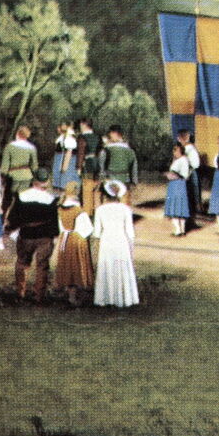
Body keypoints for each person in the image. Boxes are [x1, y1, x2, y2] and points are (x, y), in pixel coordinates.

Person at [7, 167, 58, 302]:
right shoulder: (51, 199)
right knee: (42, 266)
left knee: (22, 263)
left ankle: (20, 292)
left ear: (34, 180)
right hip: (44, 236)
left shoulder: (21, 196)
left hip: (26, 234)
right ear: (46, 181)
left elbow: (13, 218)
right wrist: (54, 235)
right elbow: (54, 221)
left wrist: (12, 228)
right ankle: (39, 295)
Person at [92, 180, 139, 308]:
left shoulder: (100, 210)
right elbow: (130, 232)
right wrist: (131, 248)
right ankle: (123, 298)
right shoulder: (125, 209)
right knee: (121, 266)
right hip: (121, 241)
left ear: (105, 195)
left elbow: (96, 233)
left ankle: (106, 298)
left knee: (107, 267)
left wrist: (95, 249)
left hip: (107, 241)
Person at [55, 181, 94, 306]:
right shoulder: (78, 210)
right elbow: (88, 229)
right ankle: (75, 295)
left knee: (67, 266)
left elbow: (59, 227)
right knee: (76, 267)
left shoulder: (59, 209)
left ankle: (69, 294)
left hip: (64, 239)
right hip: (77, 240)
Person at [100, 126, 138, 195]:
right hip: (125, 180)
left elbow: (101, 165)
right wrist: (134, 181)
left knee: (109, 200)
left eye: (110, 134)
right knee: (124, 199)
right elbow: (134, 167)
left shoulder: (106, 150)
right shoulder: (130, 150)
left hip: (110, 180)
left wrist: (102, 178)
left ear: (113, 134)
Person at [164, 142, 191, 236]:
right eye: (174, 150)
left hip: (178, 184)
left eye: (176, 150)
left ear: (181, 151)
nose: (174, 152)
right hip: (175, 185)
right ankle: (181, 229)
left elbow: (184, 175)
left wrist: (172, 175)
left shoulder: (183, 160)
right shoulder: (178, 160)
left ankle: (179, 230)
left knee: (176, 206)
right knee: (179, 206)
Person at [2, 126, 39, 196]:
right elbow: (34, 166)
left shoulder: (9, 147)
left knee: (11, 196)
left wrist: (3, 175)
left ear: (17, 134)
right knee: (24, 196)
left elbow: (5, 165)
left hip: (13, 175)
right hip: (27, 175)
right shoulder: (32, 148)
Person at [178, 128, 202, 223]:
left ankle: (192, 216)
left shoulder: (190, 149)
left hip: (190, 173)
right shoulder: (184, 148)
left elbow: (195, 164)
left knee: (192, 194)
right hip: (185, 173)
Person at [52, 123, 79, 191]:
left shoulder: (69, 137)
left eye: (61, 126)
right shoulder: (62, 137)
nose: (58, 128)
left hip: (67, 160)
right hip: (59, 160)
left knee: (65, 183)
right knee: (57, 182)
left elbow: (69, 152)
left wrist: (65, 165)